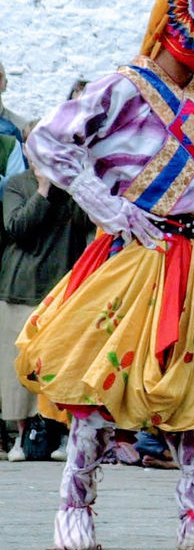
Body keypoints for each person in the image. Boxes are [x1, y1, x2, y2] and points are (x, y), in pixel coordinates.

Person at [16, 0, 194, 550]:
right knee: (101, 389)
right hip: (135, 256)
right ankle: (73, 505)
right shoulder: (123, 85)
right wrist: (107, 206)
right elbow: (49, 143)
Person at [1, 163, 92, 462]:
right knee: (16, 367)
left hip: (63, 285)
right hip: (21, 285)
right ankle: (20, 437)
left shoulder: (73, 185)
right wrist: (42, 191)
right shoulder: (18, 184)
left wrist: (72, 184)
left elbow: (85, 222)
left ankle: (64, 434)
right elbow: (17, 228)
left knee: (63, 363)